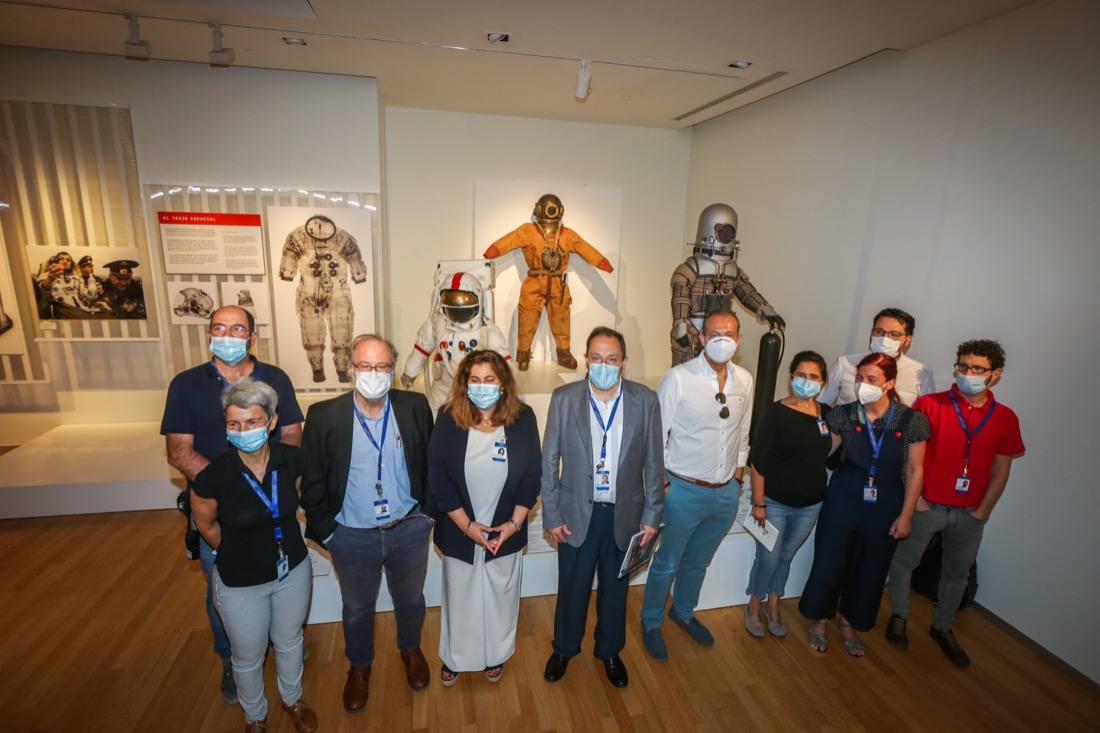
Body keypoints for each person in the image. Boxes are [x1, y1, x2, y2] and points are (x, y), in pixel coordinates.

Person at [161, 305, 304, 704]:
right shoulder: (186, 384)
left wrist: (270, 479)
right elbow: (178, 451)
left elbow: (292, 435)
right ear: (208, 334)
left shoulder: (275, 378)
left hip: (272, 506)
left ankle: (285, 645)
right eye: (219, 328)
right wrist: (231, 487)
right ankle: (232, 656)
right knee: (222, 589)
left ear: (252, 337)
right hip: (218, 510)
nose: (227, 334)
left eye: (237, 328)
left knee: (286, 580)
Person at [300, 334, 435, 713]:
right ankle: (359, 667)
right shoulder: (325, 416)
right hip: (350, 535)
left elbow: (431, 463)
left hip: (408, 529)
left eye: (382, 367)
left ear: (392, 370)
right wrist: (329, 533)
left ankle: (410, 649)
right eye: (365, 366)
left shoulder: (414, 406)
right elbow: (311, 482)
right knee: (357, 608)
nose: (373, 374)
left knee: (411, 599)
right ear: (350, 369)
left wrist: (427, 517)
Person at [886, 340, 1025, 668]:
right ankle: (899, 616)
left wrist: (984, 510)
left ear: (996, 375)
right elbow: (910, 459)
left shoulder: (1005, 418)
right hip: (927, 506)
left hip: (970, 514)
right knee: (905, 562)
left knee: (956, 574)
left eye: (977, 369)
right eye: (963, 366)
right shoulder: (928, 405)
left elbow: (1002, 468)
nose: (968, 374)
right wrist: (914, 499)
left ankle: (943, 627)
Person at [190, 378, 317, 733]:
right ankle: (256, 716)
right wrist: (238, 550)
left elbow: (291, 503)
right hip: (240, 579)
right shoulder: (212, 477)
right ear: (226, 426)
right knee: (247, 655)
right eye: (235, 424)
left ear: (272, 422)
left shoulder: (292, 460)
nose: (244, 430)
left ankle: (292, 699)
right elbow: (207, 525)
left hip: (291, 568)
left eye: (253, 422)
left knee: (290, 639)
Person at [542, 327, 664, 687]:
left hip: (625, 516)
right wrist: (551, 514)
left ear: (623, 363)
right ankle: (564, 649)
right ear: (586, 360)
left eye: (611, 359)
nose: (604, 365)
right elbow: (549, 461)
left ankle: (610, 652)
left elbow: (655, 464)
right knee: (572, 590)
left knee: (616, 593)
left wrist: (653, 517)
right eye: (596, 358)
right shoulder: (564, 399)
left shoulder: (646, 401)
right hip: (576, 514)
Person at [798, 353, 929, 657]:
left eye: (872, 380)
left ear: (890, 383)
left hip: (886, 499)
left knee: (871, 565)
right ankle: (819, 619)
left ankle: (850, 621)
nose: (863, 385)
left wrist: (906, 514)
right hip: (845, 491)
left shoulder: (912, 421)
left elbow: (914, 470)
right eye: (859, 379)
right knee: (830, 557)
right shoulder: (842, 415)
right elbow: (822, 452)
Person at [640, 309, 752, 661]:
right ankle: (651, 621)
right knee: (667, 561)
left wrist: (738, 474)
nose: (723, 340)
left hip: (725, 492)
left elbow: (743, 431)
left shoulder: (745, 380)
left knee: (698, 561)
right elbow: (655, 436)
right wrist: (663, 485)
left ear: (739, 339)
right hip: (682, 489)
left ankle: (683, 611)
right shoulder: (678, 378)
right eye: (715, 333)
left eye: (730, 333)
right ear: (702, 338)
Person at [428, 350, 541, 685]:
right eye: (474, 380)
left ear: (503, 384)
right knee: (460, 594)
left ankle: (496, 654)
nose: (482, 386)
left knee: (500, 596)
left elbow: (532, 476)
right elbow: (438, 478)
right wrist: (466, 527)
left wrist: (513, 525)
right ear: (464, 384)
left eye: (489, 379)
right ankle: (456, 657)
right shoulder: (448, 417)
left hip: (506, 527)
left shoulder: (524, 418)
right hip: (460, 526)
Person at [743, 350, 833, 639]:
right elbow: (758, 460)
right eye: (801, 375)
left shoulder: (827, 415)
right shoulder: (775, 412)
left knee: (786, 557)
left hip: (810, 505)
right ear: (790, 377)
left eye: (814, 377)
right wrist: (758, 503)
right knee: (768, 558)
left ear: (823, 382)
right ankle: (754, 607)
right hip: (774, 503)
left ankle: (774, 606)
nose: (806, 381)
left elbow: (829, 453)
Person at [821, 307, 934, 407]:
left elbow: (927, 414)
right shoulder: (844, 364)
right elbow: (821, 404)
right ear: (871, 333)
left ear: (908, 340)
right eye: (879, 331)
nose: (884, 338)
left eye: (894, 334)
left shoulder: (921, 372)